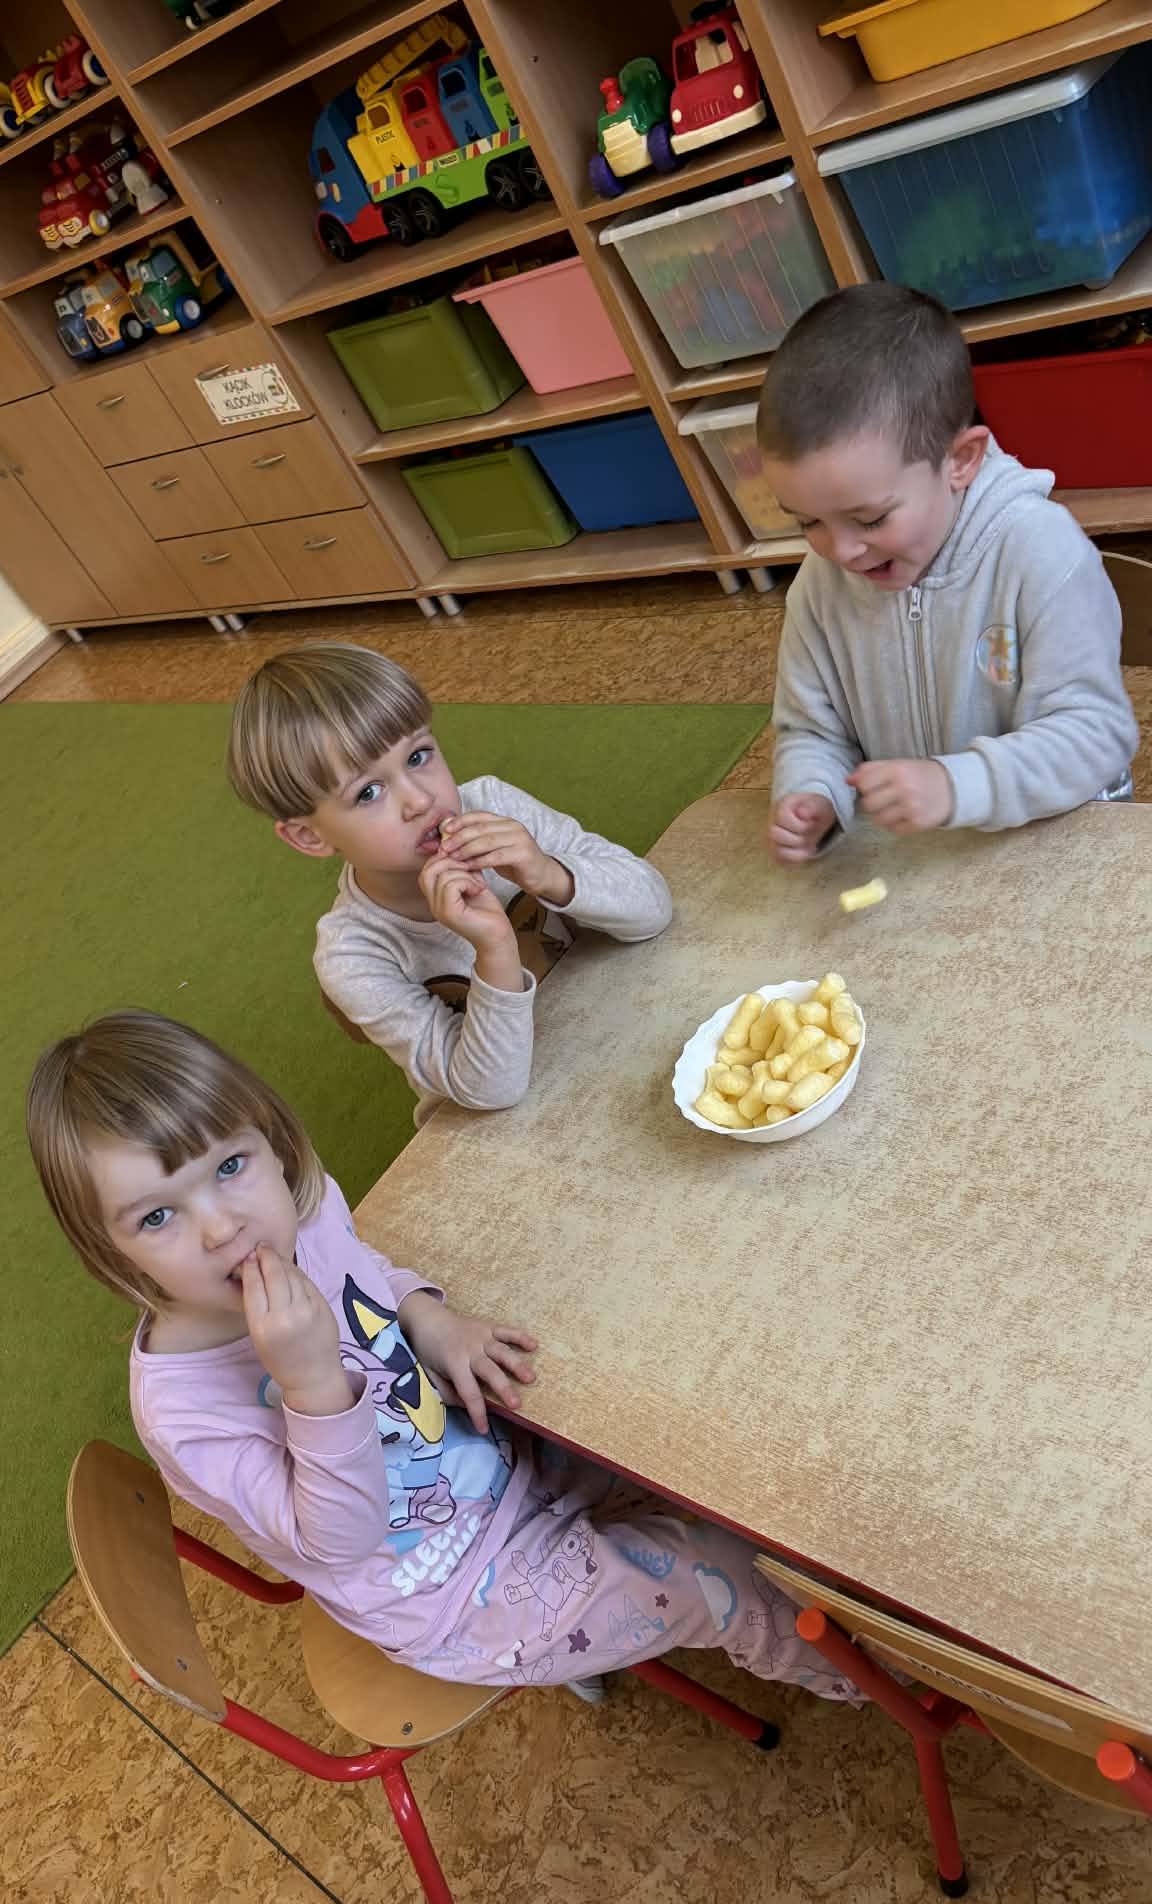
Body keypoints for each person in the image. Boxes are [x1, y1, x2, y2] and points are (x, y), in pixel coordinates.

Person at [27, 1010, 857, 1705]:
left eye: (230, 1167)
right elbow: (339, 1542)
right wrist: (313, 1386)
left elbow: (369, 1276)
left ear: (273, 1144)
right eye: (157, 1217)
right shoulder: (183, 1414)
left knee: (682, 1434)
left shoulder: (302, 1217)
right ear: (109, 1251)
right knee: (718, 1573)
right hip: (455, 1596)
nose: (222, 1227)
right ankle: (867, 1683)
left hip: (507, 1460)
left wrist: (430, 1319)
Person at [756, 283, 1138, 865]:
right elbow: (813, 731)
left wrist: (957, 784)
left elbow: (1096, 736)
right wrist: (813, 791)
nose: (841, 551)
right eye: (807, 521)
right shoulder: (819, 587)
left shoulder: (1039, 552)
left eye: (871, 518)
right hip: (929, 860)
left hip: (1064, 841)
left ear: (960, 461)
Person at [226, 644, 672, 1121]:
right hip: (501, 1125)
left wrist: (548, 872)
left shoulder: (495, 806)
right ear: (310, 836)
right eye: (369, 792)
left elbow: (654, 909)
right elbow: (490, 1091)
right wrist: (495, 949)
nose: (420, 800)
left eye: (418, 756)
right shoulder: (353, 955)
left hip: (606, 1032)